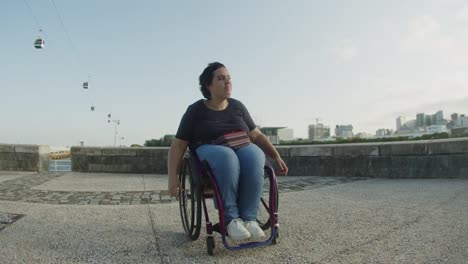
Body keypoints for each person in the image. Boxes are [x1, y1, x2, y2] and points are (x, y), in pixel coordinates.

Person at [167, 62, 288, 241]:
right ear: (208, 85)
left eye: (229, 78)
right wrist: (172, 177)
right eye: (221, 78)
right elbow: (178, 145)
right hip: (209, 150)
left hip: (241, 147)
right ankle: (231, 220)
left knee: (255, 154)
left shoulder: (237, 106)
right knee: (227, 156)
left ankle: (249, 219)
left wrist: (275, 156)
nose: (227, 82)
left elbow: (256, 135)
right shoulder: (196, 110)